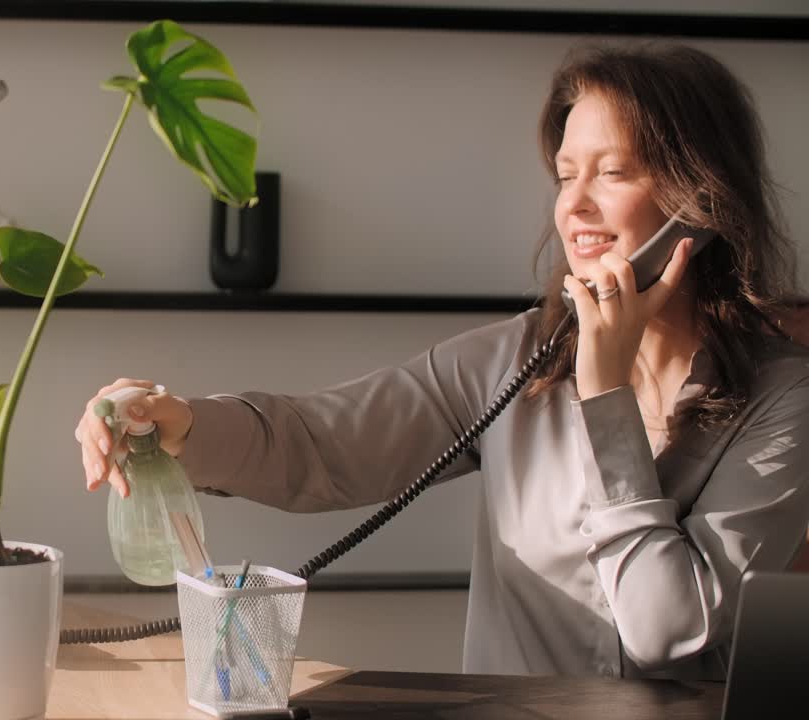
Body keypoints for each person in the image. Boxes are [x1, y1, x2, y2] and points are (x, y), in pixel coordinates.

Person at [74, 43, 809, 682]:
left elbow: (665, 627)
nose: (575, 206)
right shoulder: (514, 358)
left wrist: (605, 398)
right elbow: (324, 440)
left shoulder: (784, 397)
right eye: (565, 175)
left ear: (698, 202)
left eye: (612, 172)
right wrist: (184, 423)